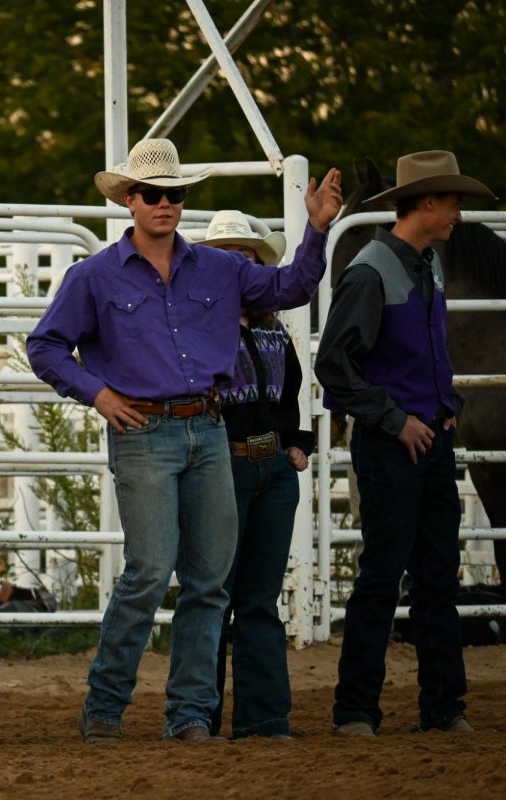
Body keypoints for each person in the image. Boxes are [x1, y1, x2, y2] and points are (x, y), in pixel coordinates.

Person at [27, 138, 342, 742]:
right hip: (144, 429)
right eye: (152, 193)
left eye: (174, 193)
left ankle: (190, 715)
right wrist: (97, 394)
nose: (165, 202)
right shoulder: (92, 276)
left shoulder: (220, 268)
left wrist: (318, 229)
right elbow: (45, 347)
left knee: (209, 579)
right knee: (148, 570)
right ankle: (106, 705)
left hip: (208, 426)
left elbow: (292, 289)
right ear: (130, 200)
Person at [316, 150, 495, 736]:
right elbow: (335, 366)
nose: (458, 216)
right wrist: (397, 420)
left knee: (437, 577)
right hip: (393, 444)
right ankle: (355, 709)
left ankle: (444, 706)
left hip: (430, 439)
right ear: (427, 203)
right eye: (452, 204)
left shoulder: (425, 266)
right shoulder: (371, 271)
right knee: (382, 576)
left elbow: (433, 355)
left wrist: (447, 410)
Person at [192, 211, 314, 739]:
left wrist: (293, 443)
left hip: (269, 468)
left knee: (258, 598)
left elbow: (288, 399)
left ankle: (263, 717)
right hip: (223, 465)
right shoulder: (198, 329)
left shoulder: (274, 333)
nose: (240, 264)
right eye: (229, 255)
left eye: (248, 255)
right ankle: (198, 713)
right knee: (215, 593)